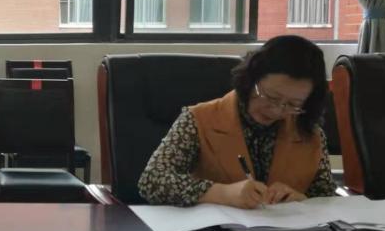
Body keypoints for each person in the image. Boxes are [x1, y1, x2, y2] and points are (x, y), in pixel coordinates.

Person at [138, 35, 336, 208]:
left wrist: (302, 200)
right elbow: (152, 181)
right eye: (271, 97)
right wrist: (222, 193)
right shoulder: (199, 119)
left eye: (293, 104)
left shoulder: (310, 133)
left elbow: (327, 199)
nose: (276, 110)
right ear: (251, 79)